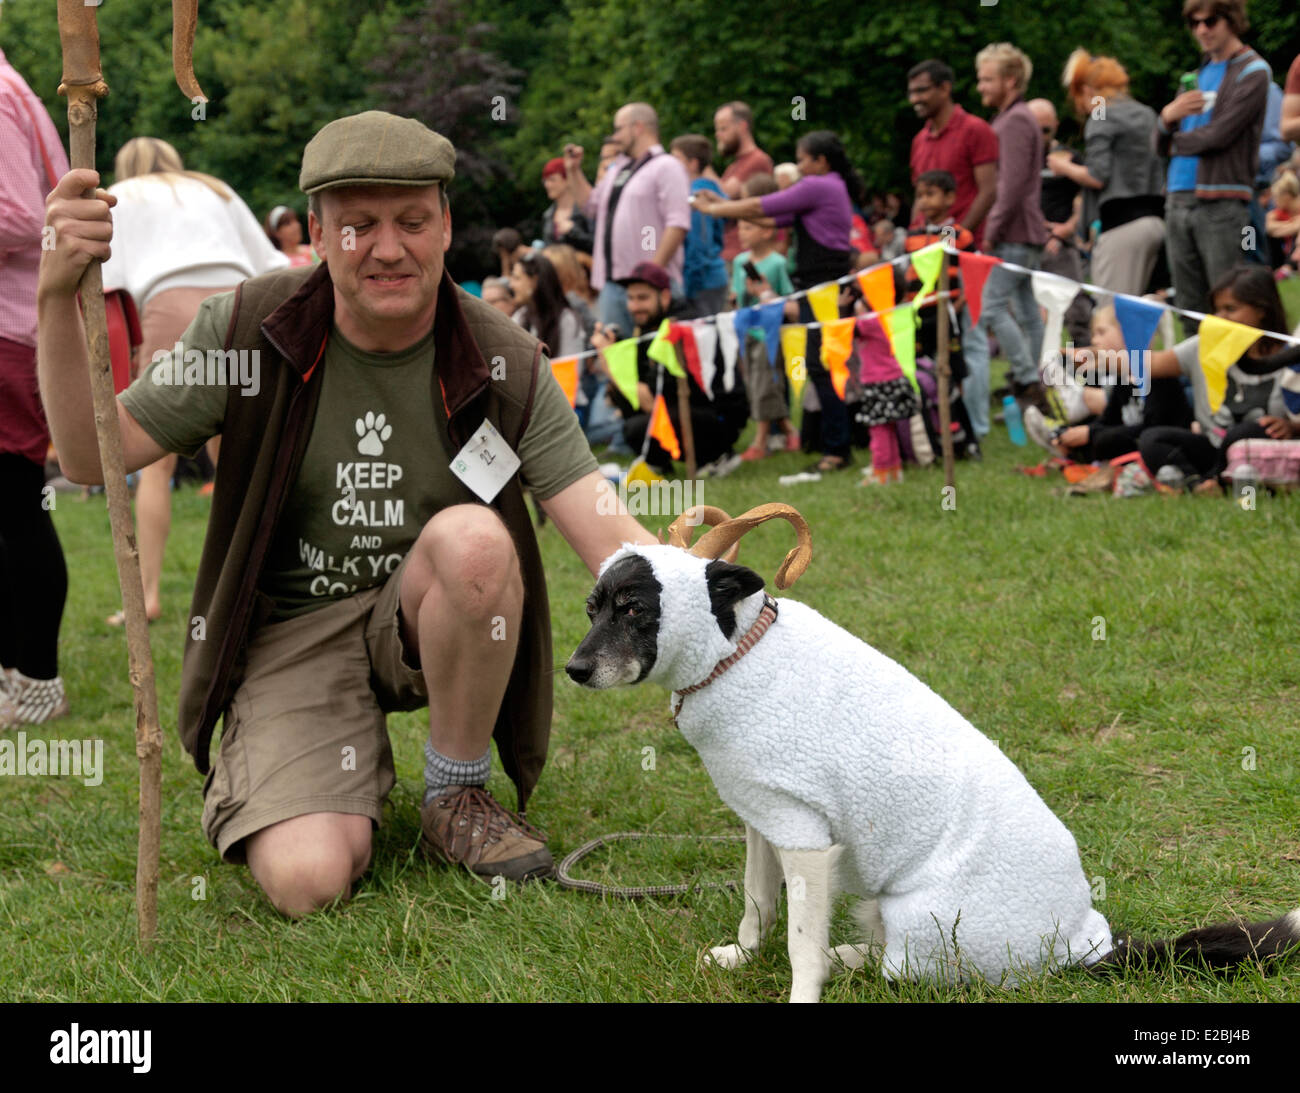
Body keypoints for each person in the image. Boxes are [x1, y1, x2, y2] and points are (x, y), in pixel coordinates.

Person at [38, 110, 658, 914]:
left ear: (444, 227)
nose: (389, 247)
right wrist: (56, 295)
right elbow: (92, 458)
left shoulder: (502, 355)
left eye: (411, 221)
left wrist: (720, 598)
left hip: (428, 608)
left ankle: (454, 796)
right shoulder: (246, 329)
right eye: (358, 225)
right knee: (307, 881)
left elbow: (606, 527)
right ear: (318, 235)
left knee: (476, 539)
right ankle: (305, 763)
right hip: (289, 629)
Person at [99, 138, 289, 627]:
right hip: (242, 306)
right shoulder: (216, 190)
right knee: (240, 457)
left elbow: (107, 284)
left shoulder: (120, 196)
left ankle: (147, 596)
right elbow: (274, 264)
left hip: (170, 306)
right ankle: (258, 582)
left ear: (126, 165)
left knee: (156, 464)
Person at [694, 131, 863, 473]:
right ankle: (835, 445)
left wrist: (714, 208)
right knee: (820, 364)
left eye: (803, 159)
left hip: (822, 286)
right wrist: (720, 207)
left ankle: (837, 450)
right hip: (817, 285)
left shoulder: (819, 185)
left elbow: (761, 205)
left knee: (822, 365)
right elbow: (770, 219)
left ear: (821, 162)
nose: (800, 166)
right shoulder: (828, 187)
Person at [0, 47, 71, 729]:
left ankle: (38, 681)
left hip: (8, 328)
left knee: (17, 507)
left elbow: (20, 215)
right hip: (20, 326)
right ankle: (13, 676)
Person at [1156, 0, 1271, 331]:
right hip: (1177, 196)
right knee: (1189, 308)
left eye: (1211, 21)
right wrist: (1166, 118)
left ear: (1232, 19)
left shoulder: (1254, 71)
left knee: (1227, 304)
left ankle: (1236, 380)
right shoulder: (1194, 75)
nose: (1202, 29)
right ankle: (1197, 382)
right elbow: (1156, 141)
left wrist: (1170, 136)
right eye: (1194, 22)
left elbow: (1219, 135)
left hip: (1221, 198)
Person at [1140, 264, 1298, 491]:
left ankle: (1216, 480)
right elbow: (1149, 364)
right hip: (1212, 447)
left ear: (1262, 310)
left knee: (1247, 431)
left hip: (1257, 449)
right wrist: (1092, 357)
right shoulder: (1204, 346)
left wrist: (1291, 428)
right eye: (1217, 310)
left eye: (1230, 309)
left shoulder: (1291, 355)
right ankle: (1199, 485)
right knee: (1153, 438)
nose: (1220, 318)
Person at [907, 58, 999, 437]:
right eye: (911, 91)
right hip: (927, 259)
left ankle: (977, 426)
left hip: (968, 255)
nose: (915, 99)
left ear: (945, 88)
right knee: (933, 349)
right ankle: (947, 425)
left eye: (922, 90)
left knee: (971, 340)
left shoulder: (976, 129)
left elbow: (988, 190)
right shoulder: (919, 140)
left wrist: (954, 241)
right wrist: (915, 240)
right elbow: (918, 199)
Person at [590, 262, 746, 476]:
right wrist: (618, 348)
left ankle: (718, 456)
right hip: (686, 410)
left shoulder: (678, 327)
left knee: (638, 424)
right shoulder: (648, 327)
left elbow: (649, 400)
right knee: (619, 395)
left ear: (664, 297)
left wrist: (609, 363)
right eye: (630, 298)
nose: (634, 306)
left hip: (716, 417)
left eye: (642, 298)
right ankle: (657, 461)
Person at [565, 102, 691, 340]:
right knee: (617, 364)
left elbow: (678, 223)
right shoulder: (619, 169)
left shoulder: (667, 166)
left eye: (618, 129)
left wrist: (652, 273)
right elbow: (590, 205)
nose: (614, 137)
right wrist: (573, 171)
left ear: (638, 127)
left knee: (658, 361)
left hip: (652, 286)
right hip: (613, 286)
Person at [1055, 52, 1167, 299]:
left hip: (1121, 226)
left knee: (1109, 315)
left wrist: (1062, 167)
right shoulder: (1147, 113)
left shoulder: (1100, 113)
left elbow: (1097, 175)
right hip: (1156, 223)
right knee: (1138, 313)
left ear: (1085, 90)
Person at [975, 42, 1049, 409]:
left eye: (987, 79)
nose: (981, 87)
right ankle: (1038, 386)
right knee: (1027, 313)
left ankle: (1028, 379)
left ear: (1010, 80)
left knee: (990, 307)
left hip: (1013, 233)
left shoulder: (1015, 120)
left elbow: (1012, 184)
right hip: (1024, 232)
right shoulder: (1012, 119)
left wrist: (992, 229)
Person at [1041, 306, 1193, 462]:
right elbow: (1109, 419)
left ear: (1128, 333)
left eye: (1101, 332)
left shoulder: (1158, 377)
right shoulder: (1123, 377)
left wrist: (1092, 434)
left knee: (1108, 439)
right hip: (1133, 438)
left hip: (1163, 445)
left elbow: (1153, 427)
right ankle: (1064, 443)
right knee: (1092, 435)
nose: (1094, 340)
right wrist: (1079, 433)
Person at [730, 210, 798, 460]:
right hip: (744, 330)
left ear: (767, 231)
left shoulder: (778, 263)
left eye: (748, 227)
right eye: (740, 227)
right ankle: (790, 431)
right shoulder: (739, 262)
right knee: (756, 384)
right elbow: (737, 296)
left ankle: (760, 441)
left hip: (768, 334)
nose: (741, 233)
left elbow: (789, 302)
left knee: (765, 384)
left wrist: (765, 293)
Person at [1028, 98, 1092, 348]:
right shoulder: (1018, 158)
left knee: (1077, 309)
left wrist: (1068, 229)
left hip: (1060, 245)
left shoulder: (1069, 157)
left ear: (1055, 125)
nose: (1040, 136)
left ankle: (1089, 373)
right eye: (1035, 129)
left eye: (1046, 129)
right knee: (1027, 313)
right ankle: (1030, 378)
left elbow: (1089, 193)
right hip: (1028, 243)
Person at [853, 309, 918, 487]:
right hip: (894, 378)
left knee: (878, 430)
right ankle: (894, 471)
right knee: (889, 429)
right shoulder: (892, 315)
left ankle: (880, 472)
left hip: (877, 383)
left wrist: (845, 308)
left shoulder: (870, 321)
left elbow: (847, 329)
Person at [669, 134, 729, 319]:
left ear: (693, 163)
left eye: (676, 159)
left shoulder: (696, 197)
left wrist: (690, 288)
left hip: (703, 283)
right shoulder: (714, 189)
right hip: (712, 277)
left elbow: (699, 245)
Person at [714, 101, 774, 263]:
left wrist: (701, 163)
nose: (718, 135)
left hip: (744, 255)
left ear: (742, 126)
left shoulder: (757, 160)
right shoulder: (735, 165)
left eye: (723, 128)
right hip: (732, 253)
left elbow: (724, 194)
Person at [509, 250, 585, 359]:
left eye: (517, 278)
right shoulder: (520, 317)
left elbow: (570, 370)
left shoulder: (566, 320)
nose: (511, 285)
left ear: (534, 281)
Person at [539, 157, 593, 253]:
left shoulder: (586, 209)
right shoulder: (548, 215)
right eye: (545, 181)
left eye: (552, 179)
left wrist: (573, 231)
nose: (547, 185)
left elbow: (598, 245)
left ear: (567, 180)